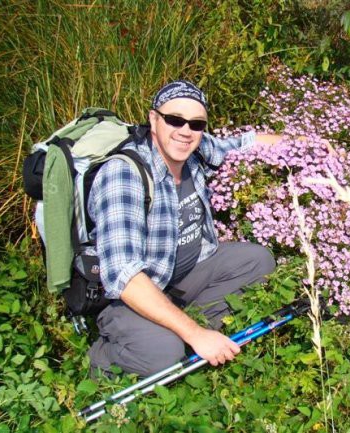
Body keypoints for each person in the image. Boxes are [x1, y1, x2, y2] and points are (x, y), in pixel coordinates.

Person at [87, 80, 282, 377]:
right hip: (130, 295)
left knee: (259, 261)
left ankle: (176, 326)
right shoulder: (123, 175)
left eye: (196, 123)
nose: (185, 130)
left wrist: (310, 144)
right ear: (153, 119)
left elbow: (244, 144)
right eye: (174, 119)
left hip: (181, 277)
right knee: (164, 355)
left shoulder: (194, 149)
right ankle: (104, 356)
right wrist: (195, 335)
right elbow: (125, 278)